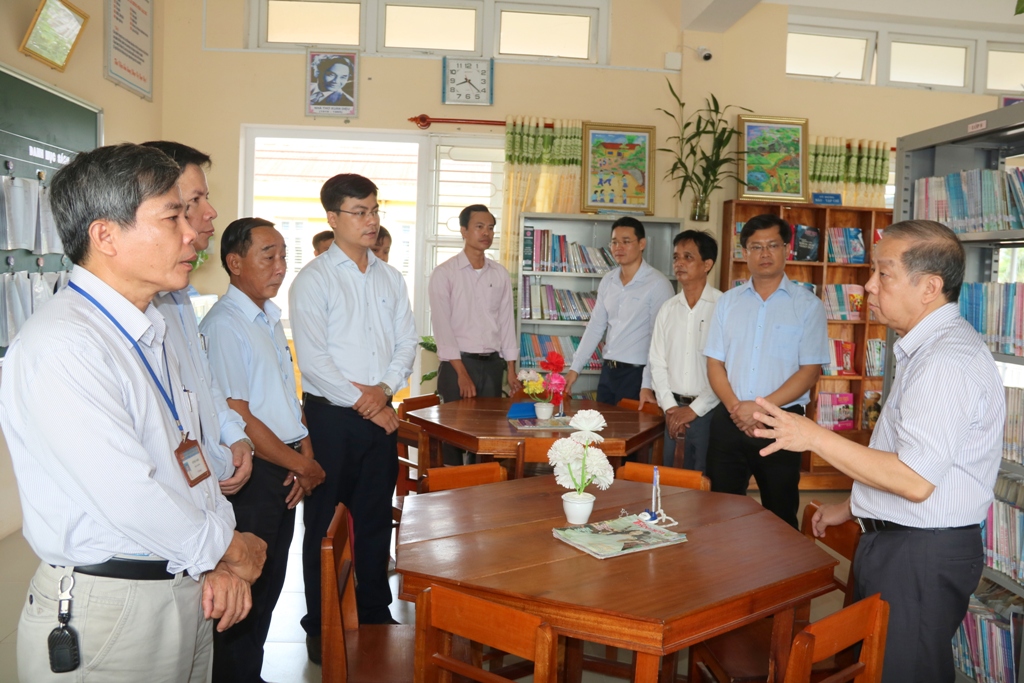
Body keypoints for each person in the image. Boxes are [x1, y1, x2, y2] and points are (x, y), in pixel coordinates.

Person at [2, 143, 266, 683]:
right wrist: (229, 547)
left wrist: (214, 557)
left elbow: (185, 459)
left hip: (181, 583)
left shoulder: (151, 327)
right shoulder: (64, 344)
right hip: (111, 609)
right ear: (106, 236)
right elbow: (130, 495)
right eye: (172, 217)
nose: (191, 234)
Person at [752, 220, 1004, 683]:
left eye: (883, 274)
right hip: (902, 541)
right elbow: (910, 458)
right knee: (874, 667)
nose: (869, 285)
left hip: (919, 553)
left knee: (902, 671)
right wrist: (854, 506)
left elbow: (914, 479)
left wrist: (814, 436)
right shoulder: (925, 349)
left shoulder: (945, 361)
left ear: (929, 288)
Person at [289, 173, 417, 663]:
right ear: (333, 217)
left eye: (375, 210)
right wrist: (369, 404)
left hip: (379, 415)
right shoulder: (313, 280)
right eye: (359, 212)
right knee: (324, 525)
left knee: (374, 518)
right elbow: (314, 361)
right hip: (331, 420)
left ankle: (374, 611)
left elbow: (406, 342)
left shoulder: (390, 278)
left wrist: (383, 393)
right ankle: (320, 624)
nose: (371, 220)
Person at [201, 218, 327, 682]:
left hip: (283, 466)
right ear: (235, 263)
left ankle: (249, 674)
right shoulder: (225, 325)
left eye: (283, 256)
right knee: (244, 592)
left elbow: (282, 398)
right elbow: (238, 416)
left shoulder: (268, 318)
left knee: (269, 585)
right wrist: (302, 465)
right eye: (268, 256)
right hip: (254, 474)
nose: (280, 266)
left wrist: (303, 452)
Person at [141, 140, 254, 497]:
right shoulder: (136, 305)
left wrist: (234, 435)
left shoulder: (179, 293)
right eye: (194, 202)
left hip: (207, 480)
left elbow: (203, 380)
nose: (211, 212)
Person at [703, 214, 829, 529]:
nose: (765, 253)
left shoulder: (808, 306)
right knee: (719, 511)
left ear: (786, 249)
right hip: (730, 419)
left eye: (772, 245)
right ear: (745, 252)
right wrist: (737, 409)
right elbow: (714, 364)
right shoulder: (727, 303)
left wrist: (759, 411)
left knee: (780, 513)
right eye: (756, 247)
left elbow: (809, 371)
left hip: (781, 422)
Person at [428, 205, 522, 465]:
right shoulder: (445, 273)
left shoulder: (499, 273)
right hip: (457, 365)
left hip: (491, 365)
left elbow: (506, 323)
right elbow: (442, 328)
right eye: (479, 227)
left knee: (486, 436)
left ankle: (482, 486)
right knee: (453, 437)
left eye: (490, 228)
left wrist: (510, 369)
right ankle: (452, 485)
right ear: (464, 231)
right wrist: (461, 373)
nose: (486, 233)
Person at [564, 216, 674, 405]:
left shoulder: (658, 284)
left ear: (642, 244)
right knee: (602, 423)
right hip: (608, 372)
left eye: (626, 241)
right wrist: (575, 369)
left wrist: (647, 384)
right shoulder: (608, 281)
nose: (618, 247)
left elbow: (658, 340)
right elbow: (595, 328)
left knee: (632, 425)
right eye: (614, 242)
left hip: (638, 375)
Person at [641, 230, 722, 470]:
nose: (679, 263)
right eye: (676, 257)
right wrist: (670, 407)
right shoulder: (668, 309)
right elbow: (657, 361)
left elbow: (727, 368)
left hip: (711, 410)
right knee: (672, 479)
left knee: (705, 480)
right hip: (672, 410)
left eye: (688, 257)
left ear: (707, 264)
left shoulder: (723, 307)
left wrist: (694, 410)